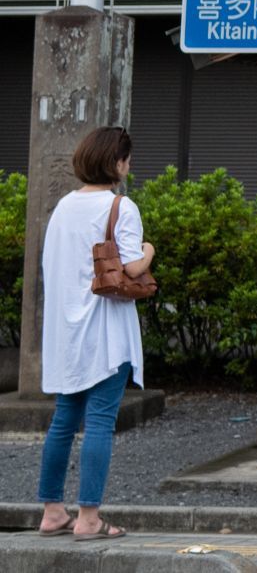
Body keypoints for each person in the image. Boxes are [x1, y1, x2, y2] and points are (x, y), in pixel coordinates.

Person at [34, 127, 153, 540]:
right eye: (127, 159)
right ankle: (88, 519)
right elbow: (135, 268)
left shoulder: (63, 207)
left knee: (64, 420)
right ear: (118, 163)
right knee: (100, 421)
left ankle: (52, 511)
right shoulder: (121, 206)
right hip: (105, 334)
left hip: (67, 334)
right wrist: (151, 250)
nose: (129, 166)